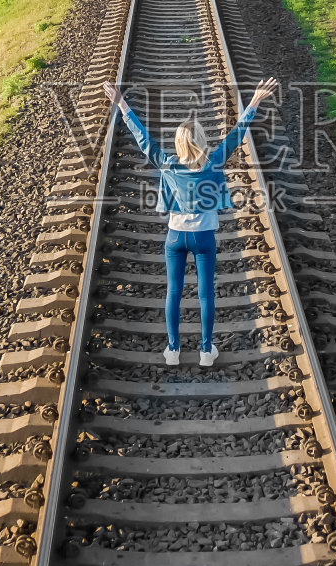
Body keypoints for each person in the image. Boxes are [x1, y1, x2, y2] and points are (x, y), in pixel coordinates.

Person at [102, 77, 279, 367]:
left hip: (175, 237)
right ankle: (206, 351)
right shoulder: (214, 162)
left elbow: (143, 139)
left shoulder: (167, 164)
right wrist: (256, 100)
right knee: (206, 294)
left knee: (173, 291)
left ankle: (172, 350)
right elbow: (237, 134)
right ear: (201, 141)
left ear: (179, 144)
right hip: (204, 238)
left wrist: (121, 103)